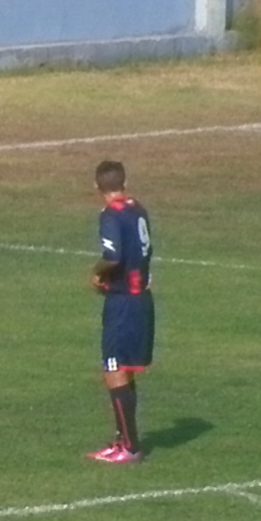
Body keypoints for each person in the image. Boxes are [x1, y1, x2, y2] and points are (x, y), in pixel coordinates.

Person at [91, 159, 155, 463]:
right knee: (124, 370)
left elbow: (113, 255)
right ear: (124, 182)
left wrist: (97, 273)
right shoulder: (137, 208)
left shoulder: (110, 214)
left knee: (113, 369)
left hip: (122, 303)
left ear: (97, 186)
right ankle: (124, 440)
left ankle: (128, 446)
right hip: (141, 298)